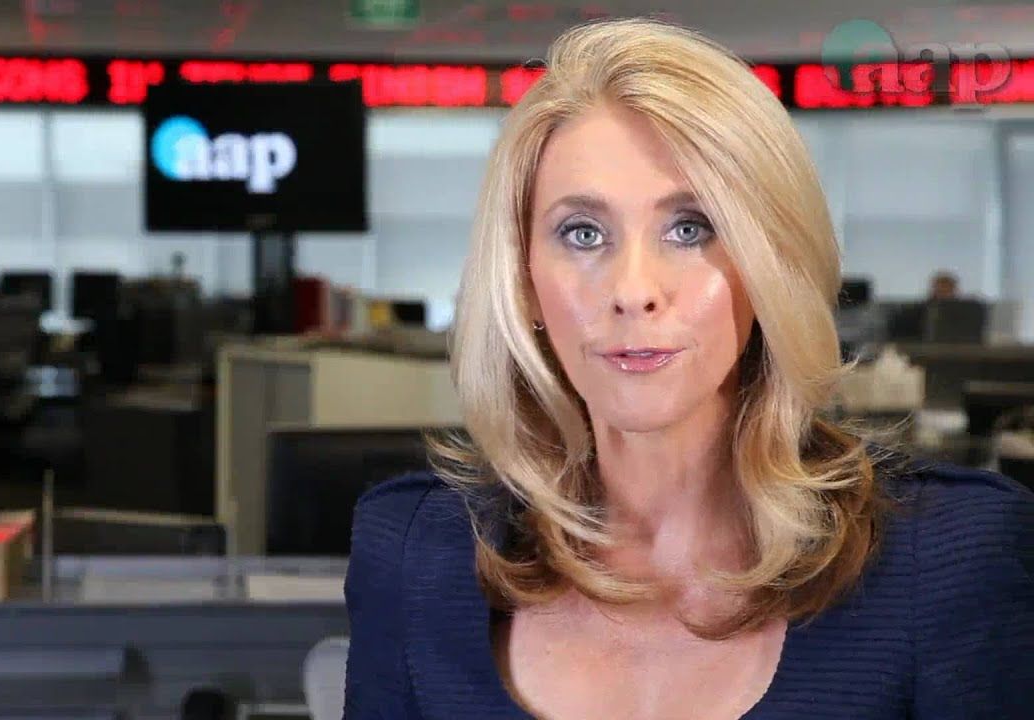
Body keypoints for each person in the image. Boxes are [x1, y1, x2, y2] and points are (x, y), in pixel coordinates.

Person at [343, 18, 1032, 720]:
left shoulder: (947, 555)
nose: (632, 290)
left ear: (771, 265)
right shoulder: (413, 553)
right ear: (523, 281)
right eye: (583, 233)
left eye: (690, 228)